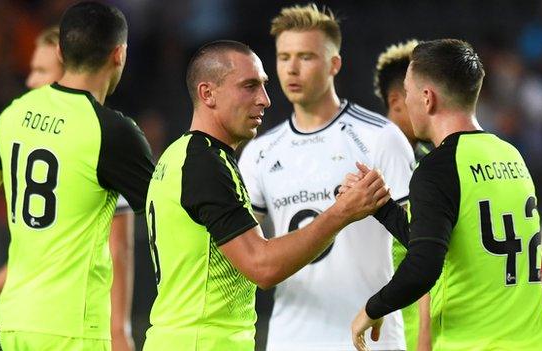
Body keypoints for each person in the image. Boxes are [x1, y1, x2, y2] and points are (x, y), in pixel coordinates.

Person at [142, 40, 390, 351]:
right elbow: (262, 266)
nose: (265, 100)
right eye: (249, 86)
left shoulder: (177, 156)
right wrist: (341, 213)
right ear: (208, 94)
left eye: (263, 86)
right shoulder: (205, 165)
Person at [349, 39, 542, 351]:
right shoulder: (510, 155)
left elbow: (424, 267)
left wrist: (372, 309)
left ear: (427, 98)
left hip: (472, 344)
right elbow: (443, 243)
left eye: (408, 90)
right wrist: (383, 207)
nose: (405, 99)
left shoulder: (438, 167)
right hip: (533, 342)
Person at [238, 4, 415, 351]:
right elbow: (249, 258)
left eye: (306, 57)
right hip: (290, 339)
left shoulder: (381, 137)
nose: (292, 68)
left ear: (334, 64)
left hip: (371, 339)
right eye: (284, 56)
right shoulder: (260, 153)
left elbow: (420, 245)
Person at [0, 2, 154, 349]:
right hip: (72, 330)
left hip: (7, 325)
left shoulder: (12, 116)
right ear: (119, 54)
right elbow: (163, 219)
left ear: (61, 50)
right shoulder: (113, 133)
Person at [373, 40, 432, 351]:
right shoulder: (372, 160)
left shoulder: (429, 160)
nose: (433, 103)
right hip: (397, 328)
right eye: (422, 95)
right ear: (397, 101)